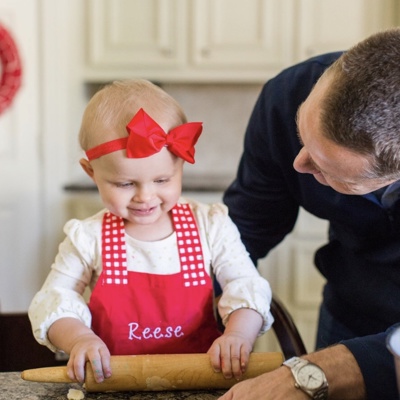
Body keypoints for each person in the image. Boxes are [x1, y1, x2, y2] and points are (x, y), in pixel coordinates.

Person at [28, 79, 273, 385]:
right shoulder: (87, 238)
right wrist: (79, 339)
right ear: (91, 172)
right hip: (113, 384)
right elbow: (54, 298)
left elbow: (246, 285)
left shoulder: (210, 225)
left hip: (202, 382)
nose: (145, 197)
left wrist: (238, 334)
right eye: (125, 183)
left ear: (181, 166)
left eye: (162, 180)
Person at [220, 28, 400, 400]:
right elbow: (246, 231)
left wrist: (310, 373)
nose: (298, 164)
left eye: (326, 170)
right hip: (348, 309)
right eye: (304, 137)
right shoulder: (288, 95)